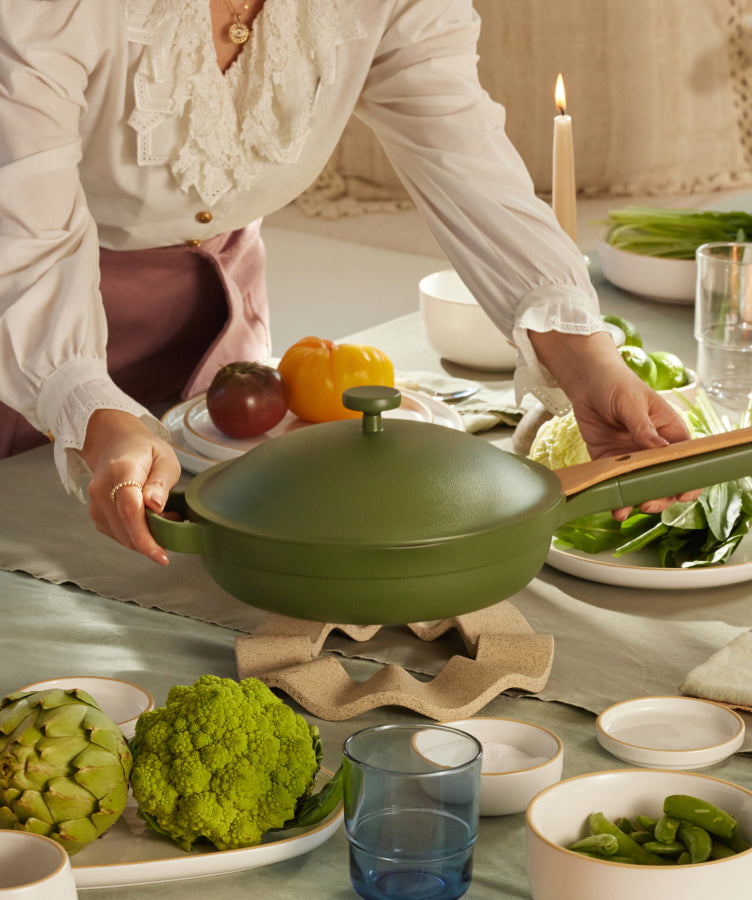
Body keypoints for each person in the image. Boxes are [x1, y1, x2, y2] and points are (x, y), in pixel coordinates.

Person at [0, 0, 696, 566]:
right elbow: (24, 231)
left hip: (213, 320)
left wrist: (586, 360)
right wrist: (86, 403)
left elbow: (465, 155)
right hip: (21, 322)